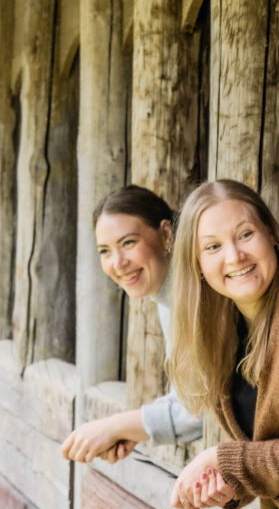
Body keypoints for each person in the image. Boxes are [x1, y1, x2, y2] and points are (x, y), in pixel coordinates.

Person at [167, 180, 279, 509]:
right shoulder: (222, 319)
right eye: (212, 247)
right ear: (196, 263)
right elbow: (261, 445)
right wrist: (230, 482)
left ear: (271, 233)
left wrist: (220, 459)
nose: (235, 256)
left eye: (245, 235)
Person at [61, 185, 203, 464]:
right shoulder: (168, 296)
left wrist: (116, 426)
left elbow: (200, 413)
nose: (118, 263)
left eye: (128, 243)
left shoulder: (198, 293)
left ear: (166, 234)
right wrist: (132, 430)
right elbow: (187, 397)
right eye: (105, 251)